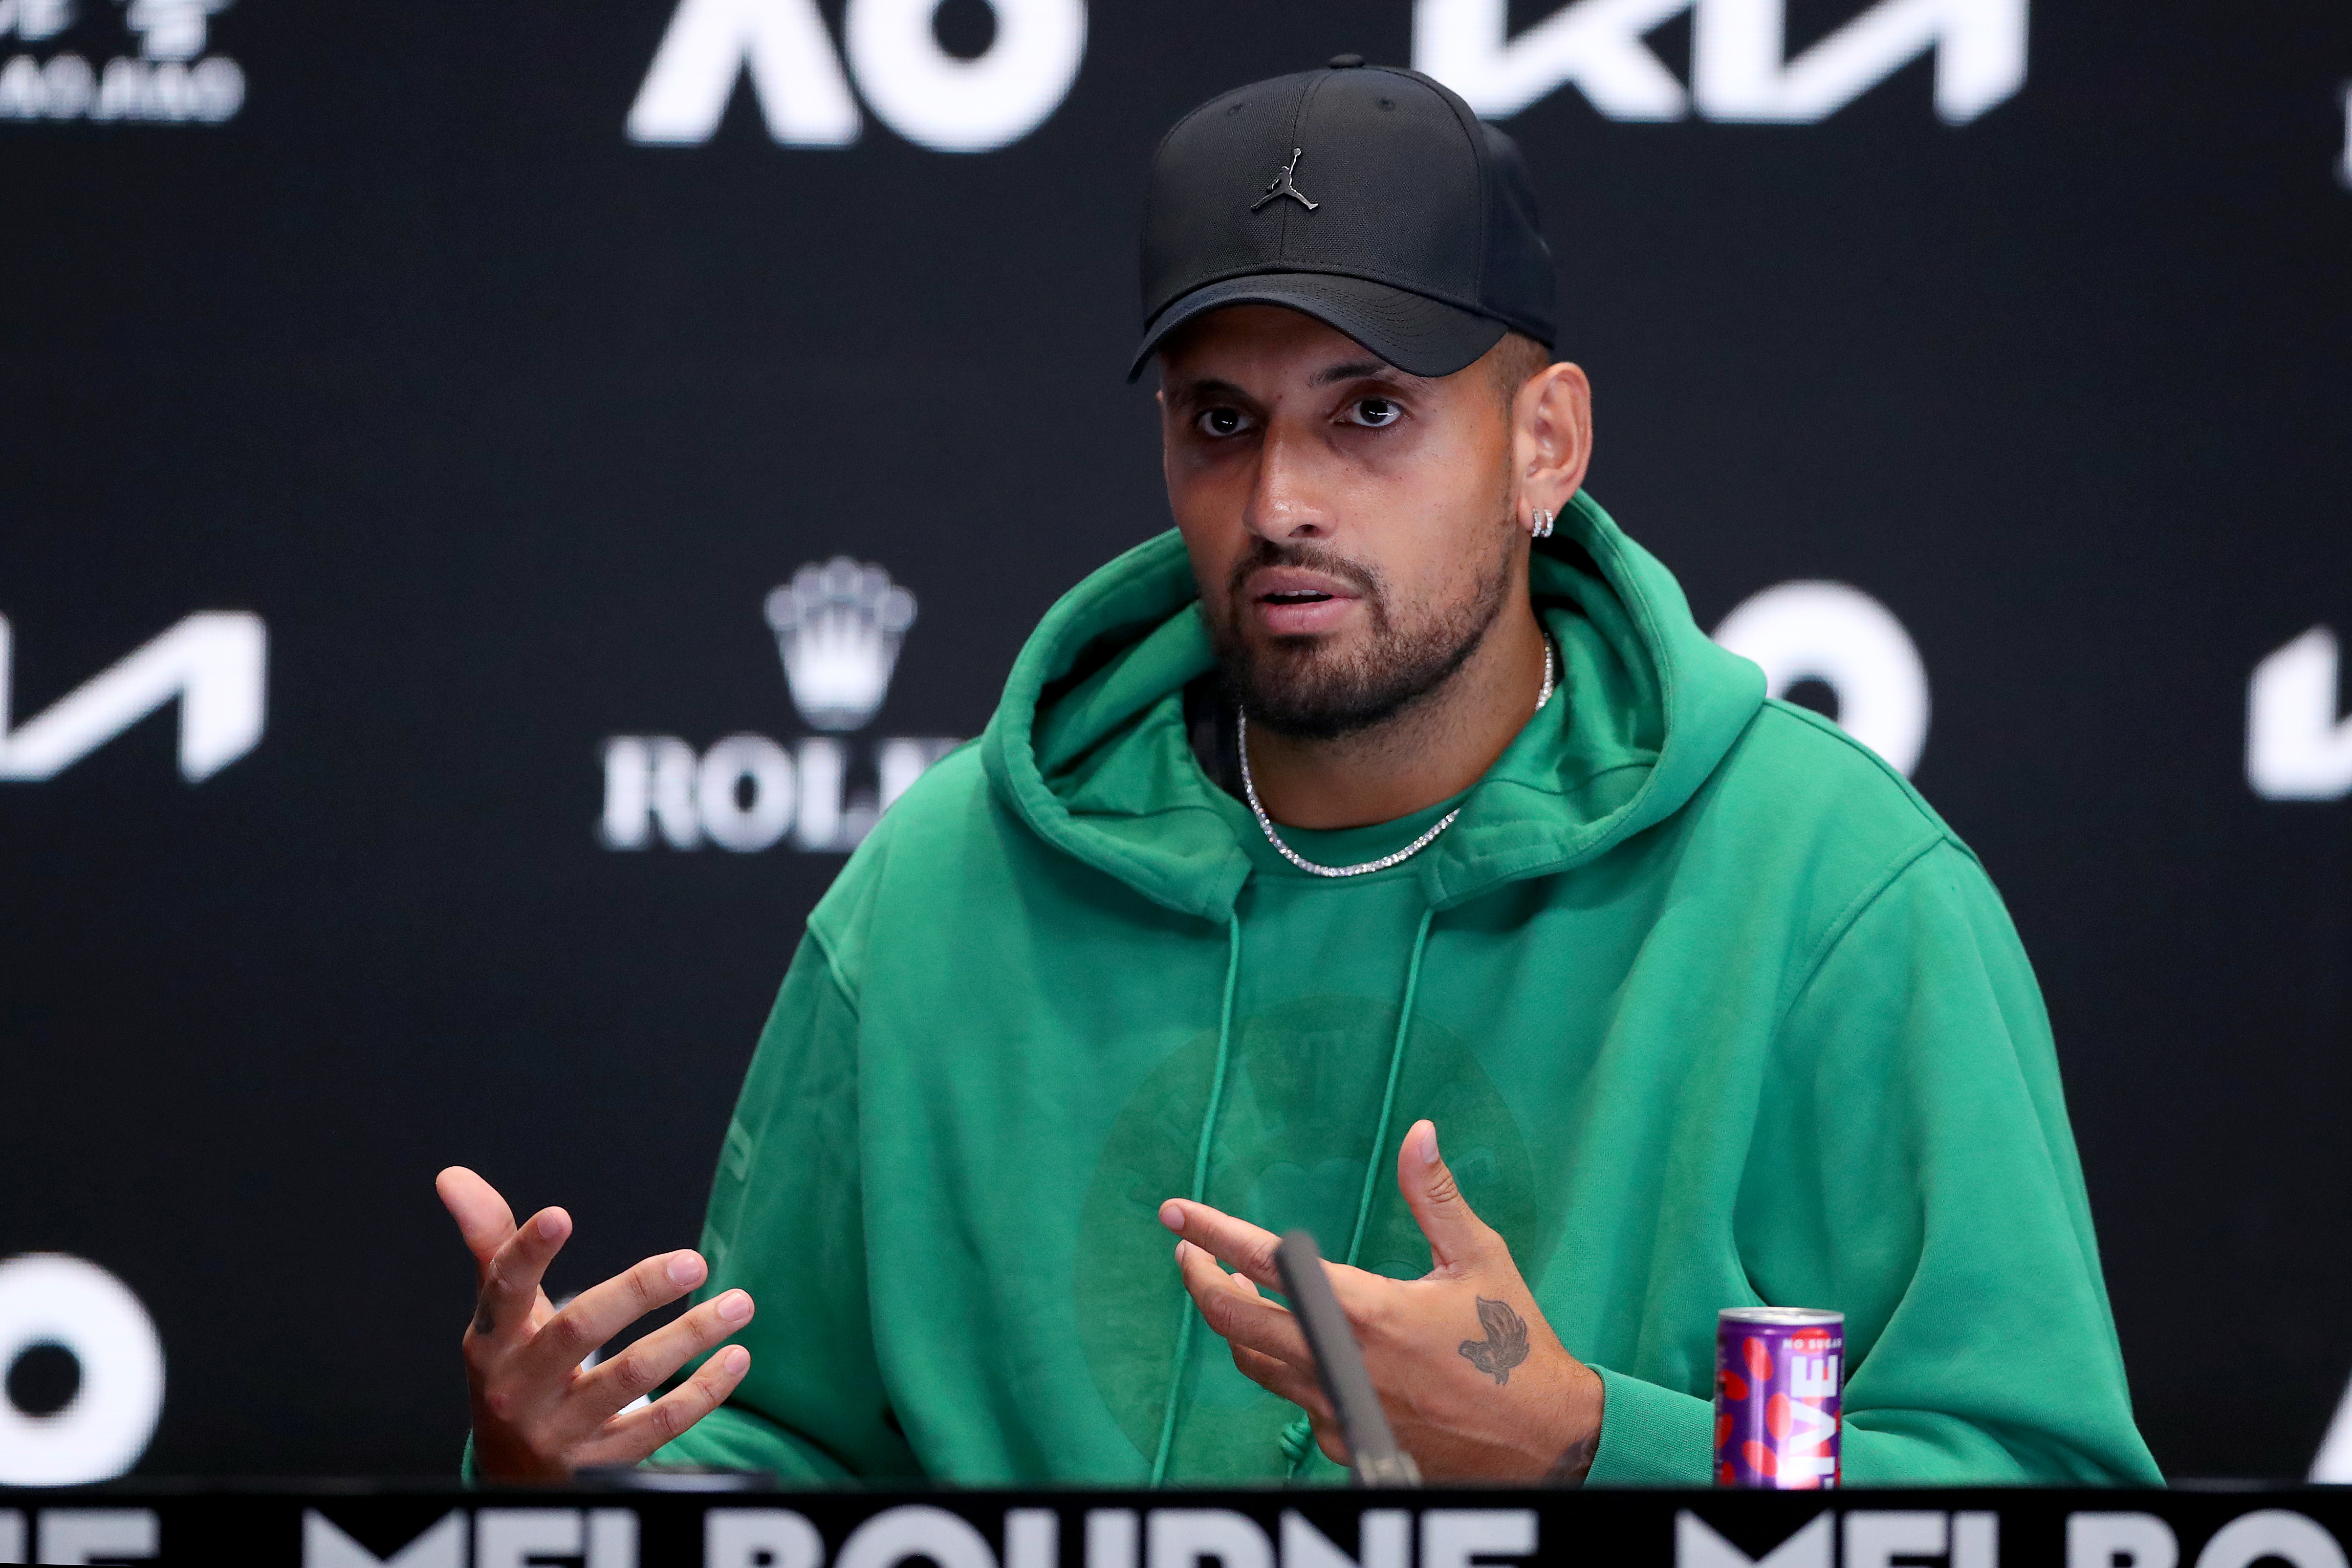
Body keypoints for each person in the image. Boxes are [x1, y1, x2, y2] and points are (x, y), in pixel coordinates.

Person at [437, 58, 2162, 1488]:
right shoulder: (947, 882)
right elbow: (788, 1455)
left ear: (1544, 440)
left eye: (1370, 412)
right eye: (1222, 420)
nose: (1280, 503)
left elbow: (2031, 1487)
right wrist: (560, 1484)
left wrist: (1585, 1444)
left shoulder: (1827, 890)